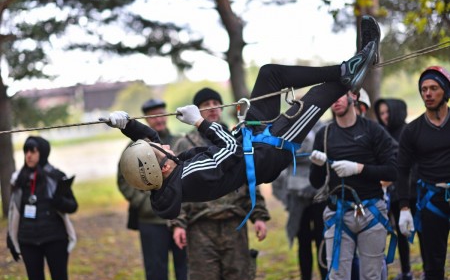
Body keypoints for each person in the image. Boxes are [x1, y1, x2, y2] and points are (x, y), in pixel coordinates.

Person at [106, 21, 378, 217]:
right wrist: (200, 121)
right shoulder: (191, 178)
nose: (163, 145)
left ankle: (348, 67)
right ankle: (353, 70)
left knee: (270, 75)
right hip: (267, 152)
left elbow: (151, 141)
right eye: (160, 151)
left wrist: (127, 125)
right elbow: (233, 150)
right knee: (321, 94)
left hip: (250, 138)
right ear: (162, 168)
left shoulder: (167, 172)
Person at [170, 87, 270, 280]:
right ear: (196, 111)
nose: (213, 108)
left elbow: (248, 176)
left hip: (234, 224)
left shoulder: (235, 139)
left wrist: (258, 215)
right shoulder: (185, 144)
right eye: (206, 105)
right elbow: (174, 186)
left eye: (216, 103)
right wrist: (178, 224)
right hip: (200, 228)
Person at [308, 90, 398, 280]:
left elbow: (392, 171)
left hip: (371, 212)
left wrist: (359, 168)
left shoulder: (373, 131)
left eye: (339, 94)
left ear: (354, 97)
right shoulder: (324, 135)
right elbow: (315, 183)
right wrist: (316, 165)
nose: (335, 100)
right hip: (337, 213)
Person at [117, 98, 187, 280]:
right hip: (151, 220)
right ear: (147, 120)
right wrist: (145, 203)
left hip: (181, 219)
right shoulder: (135, 149)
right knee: (155, 272)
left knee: (186, 271)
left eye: (161, 115)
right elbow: (124, 181)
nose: (159, 120)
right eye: (153, 116)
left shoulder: (180, 143)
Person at [397, 66, 450, 280]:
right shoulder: (412, 130)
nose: (427, 93)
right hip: (431, 202)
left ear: (445, 92)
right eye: (424, 89)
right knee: (433, 267)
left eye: (433, 88)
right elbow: (402, 169)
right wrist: (404, 208)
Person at [7, 136, 77, 280]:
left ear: (43, 153)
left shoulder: (57, 177)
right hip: (28, 241)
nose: (28, 156)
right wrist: (10, 239)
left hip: (55, 239)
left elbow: (73, 206)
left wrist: (59, 201)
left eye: (33, 151)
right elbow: (13, 211)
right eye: (26, 151)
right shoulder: (18, 179)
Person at [374, 98, 425, 280]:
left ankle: (428, 271)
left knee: (421, 231)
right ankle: (406, 271)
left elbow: (416, 164)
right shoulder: (382, 134)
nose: (384, 117)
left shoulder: (410, 131)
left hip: (414, 192)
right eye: (381, 113)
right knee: (400, 233)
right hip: (394, 193)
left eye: (387, 112)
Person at [271, 120, 327, 280]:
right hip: (296, 196)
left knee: (322, 239)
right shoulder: (288, 132)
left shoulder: (322, 130)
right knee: (303, 242)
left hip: (319, 195)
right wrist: (286, 193)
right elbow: (281, 163)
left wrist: (317, 185)